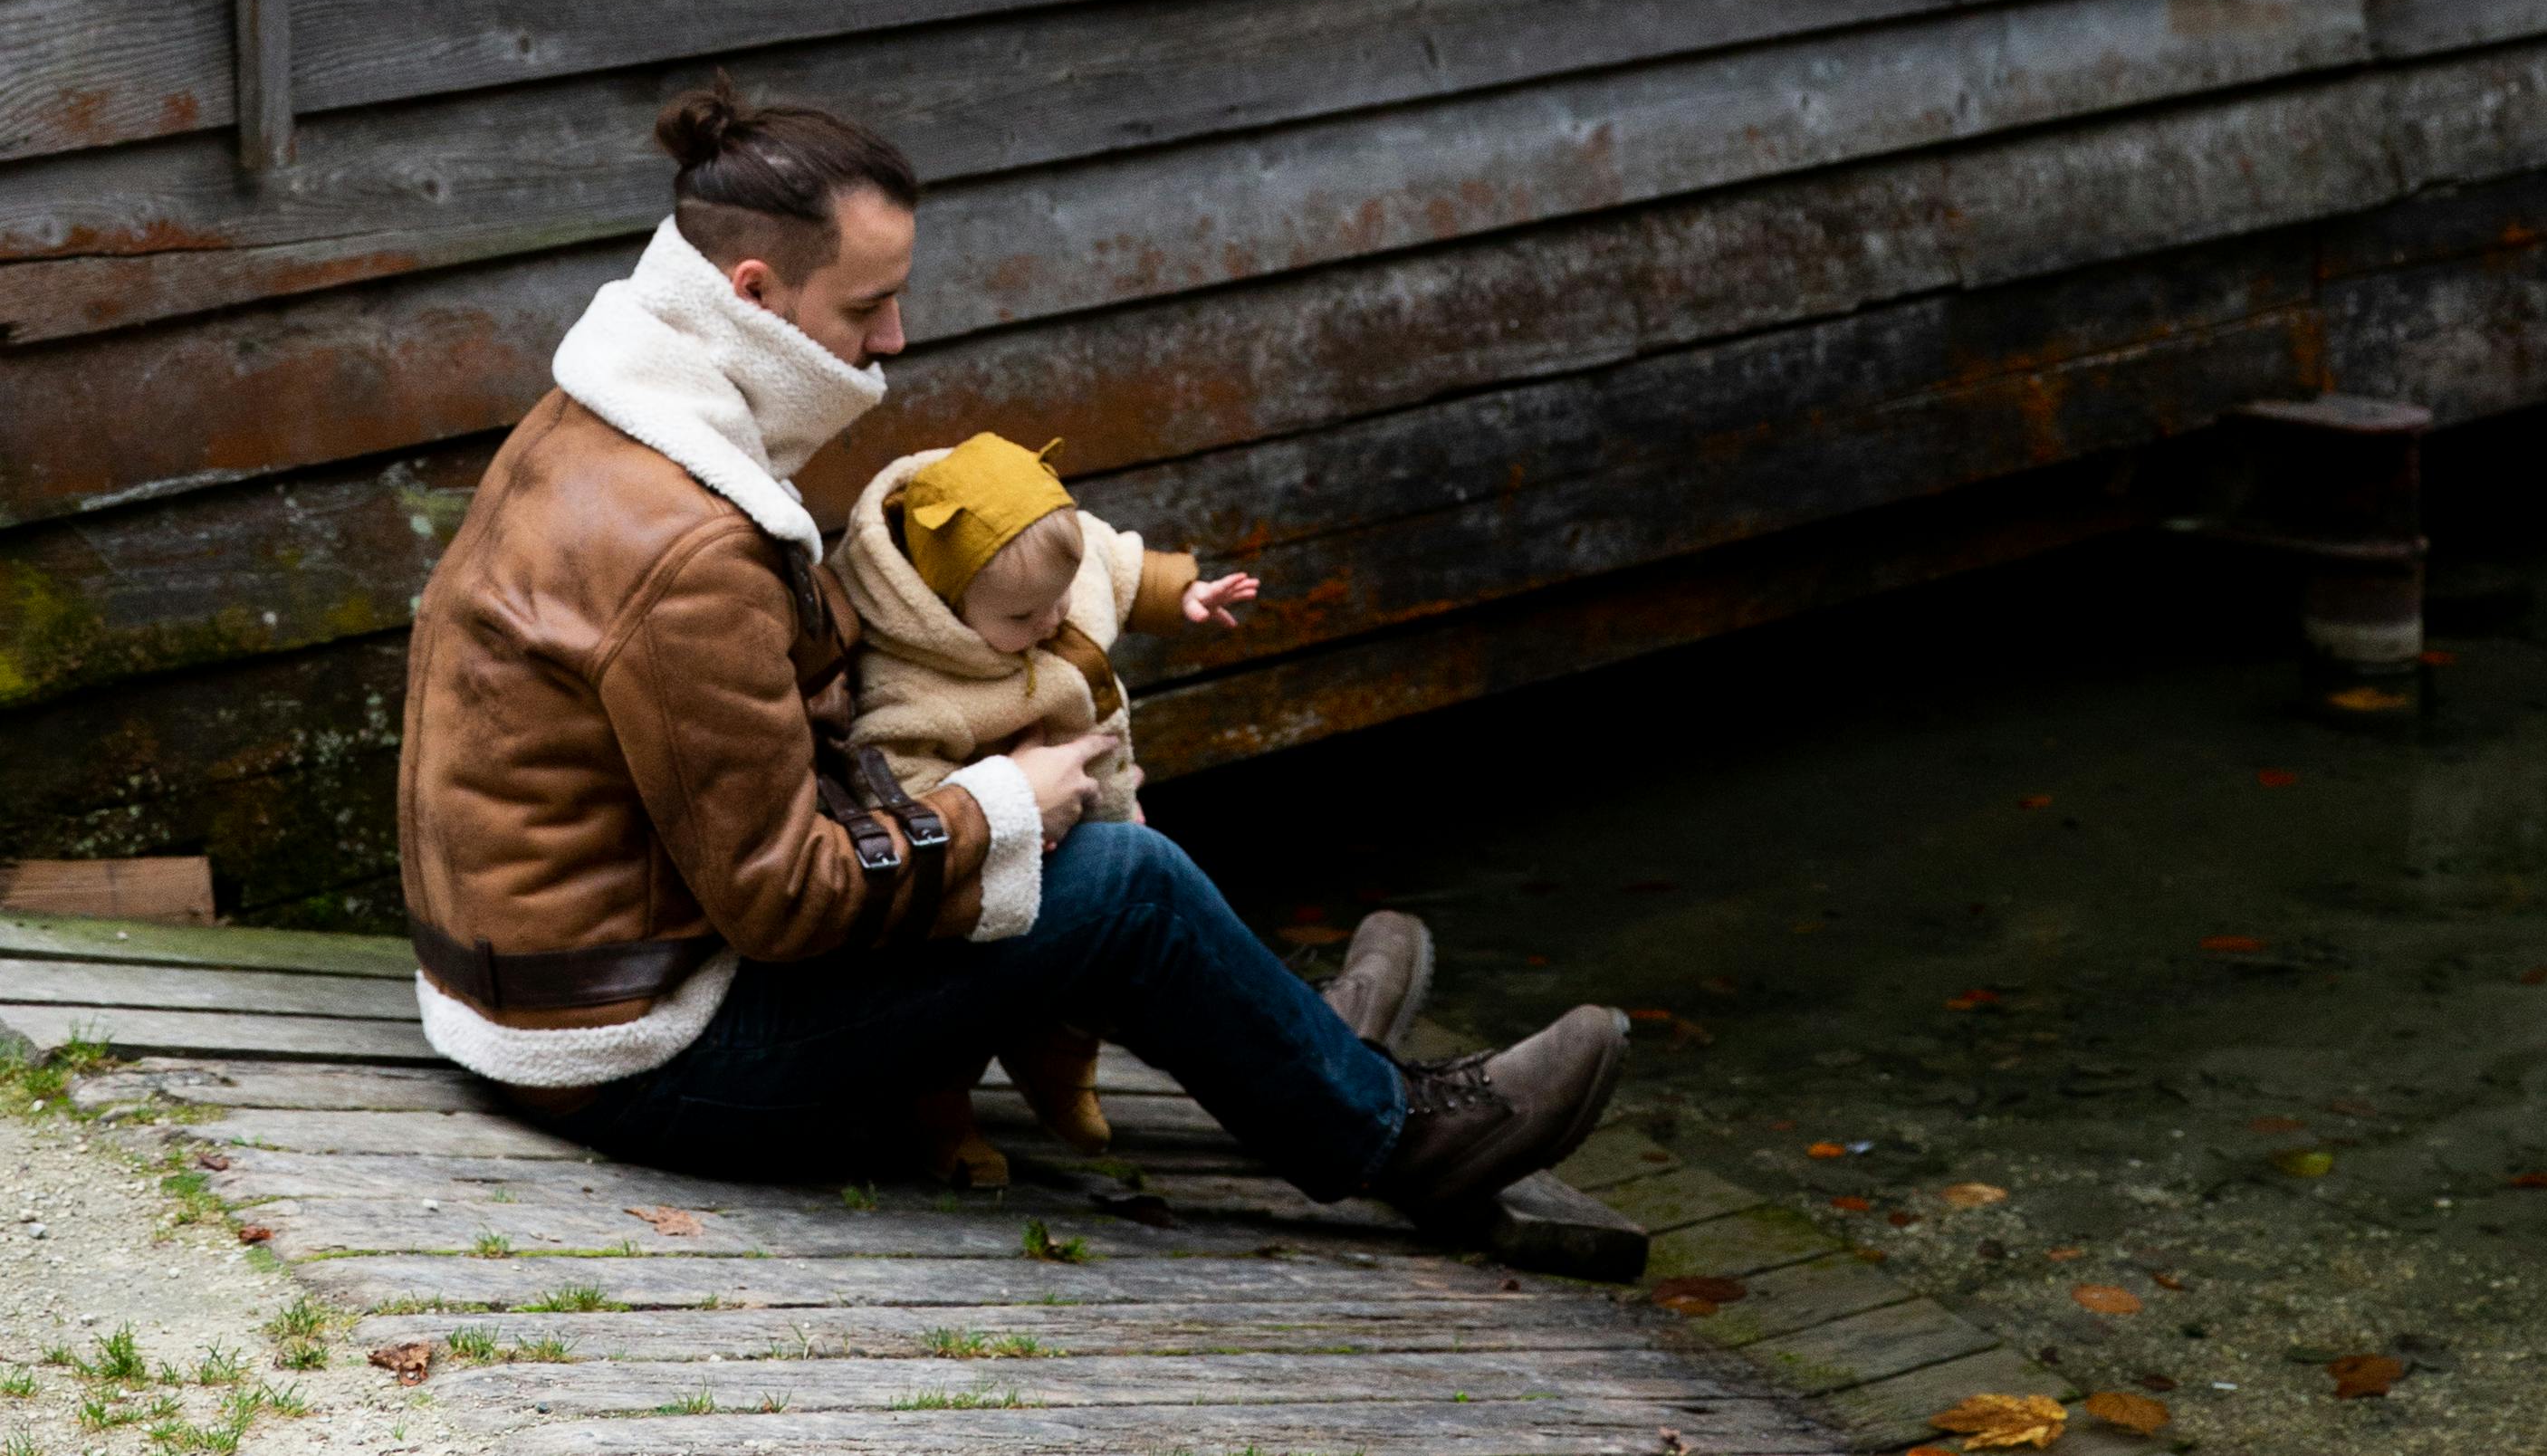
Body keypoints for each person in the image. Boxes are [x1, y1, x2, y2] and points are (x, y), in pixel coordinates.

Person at [397, 80, 1626, 1219]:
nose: (892, 335)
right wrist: (998, 805)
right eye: (867, 303)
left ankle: (1297, 1045)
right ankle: (1394, 1133)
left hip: (542, 996)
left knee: (1061, 816)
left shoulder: (596, 419)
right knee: (1118, 877)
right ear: (757, 291)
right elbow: (783, 898)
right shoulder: (687, 547)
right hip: (641, 1056)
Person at [830, 427, 1259, 1179]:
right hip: (990, 852)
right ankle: (935, 1111)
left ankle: (1059, 1059)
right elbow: (893, 783)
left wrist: (1175, 592)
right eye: (1023, 619)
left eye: (1058, 600)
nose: (1053, 621)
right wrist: (1004, 809)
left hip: (1097, 801)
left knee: (1096, 968)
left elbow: (1106, 558)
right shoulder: (914, 678)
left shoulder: (1048, 578)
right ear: (944, 609)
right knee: (959, 1001)